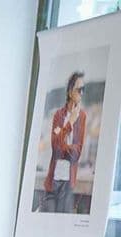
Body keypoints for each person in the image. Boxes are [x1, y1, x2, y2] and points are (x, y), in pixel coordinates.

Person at [45, 71, 87, 214]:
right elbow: (54, 146)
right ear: (70, 92)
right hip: (53, 181)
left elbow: (77, 152)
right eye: (79, 89)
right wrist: (70, 123)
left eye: (84, 89)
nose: (81, 93)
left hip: (68, 183)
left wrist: (61, 142)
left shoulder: (82, 117)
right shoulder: (58, 115)